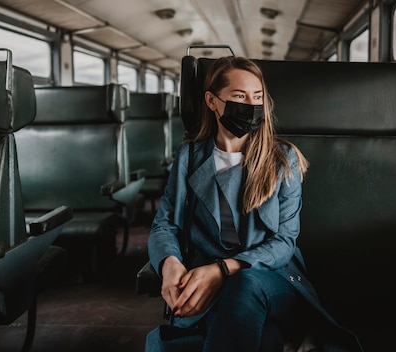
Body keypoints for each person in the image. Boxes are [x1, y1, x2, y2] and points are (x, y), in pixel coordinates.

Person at [145, 56, 363, 352]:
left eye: (257, 97)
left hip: (270, 279)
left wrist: (223, 270)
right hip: (206, 278)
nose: (250, 105)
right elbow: (165, 224)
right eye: (239, 96)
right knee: (263, 339)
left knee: (244, 286)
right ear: (212, 101)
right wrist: (169, 262)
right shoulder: (189, 156)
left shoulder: (282, 159)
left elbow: (285, 242)